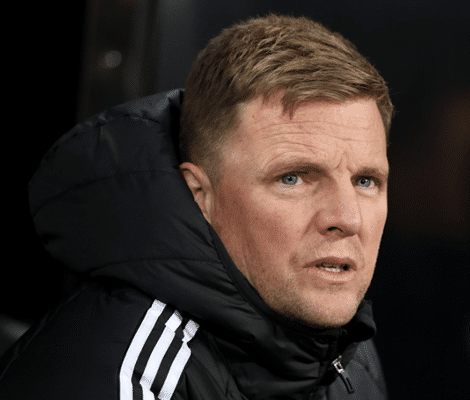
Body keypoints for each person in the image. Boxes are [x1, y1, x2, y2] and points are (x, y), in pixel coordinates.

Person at [0, 14, 393, 399]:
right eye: (292, 178)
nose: (348, 218)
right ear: (199, 194)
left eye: (366, 181)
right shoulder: (120, 376)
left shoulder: (346, 352)